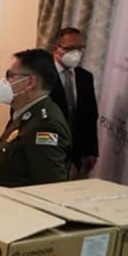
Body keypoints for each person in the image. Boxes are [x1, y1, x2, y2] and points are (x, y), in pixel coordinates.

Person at [0, 49, 72, 187]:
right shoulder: (26, 114)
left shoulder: (45, 125)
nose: (5, 81)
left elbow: (49, 186)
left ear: (30, 82)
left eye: (10, 75)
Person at [48, 27, 99, 179]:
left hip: (74, 153)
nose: (76, 53)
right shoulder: (41, 76)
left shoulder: (85, 78)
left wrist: (91, 151)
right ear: (55, 49)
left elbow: (90, 116)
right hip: (45, 149)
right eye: (70, 48)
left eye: (80, 48)